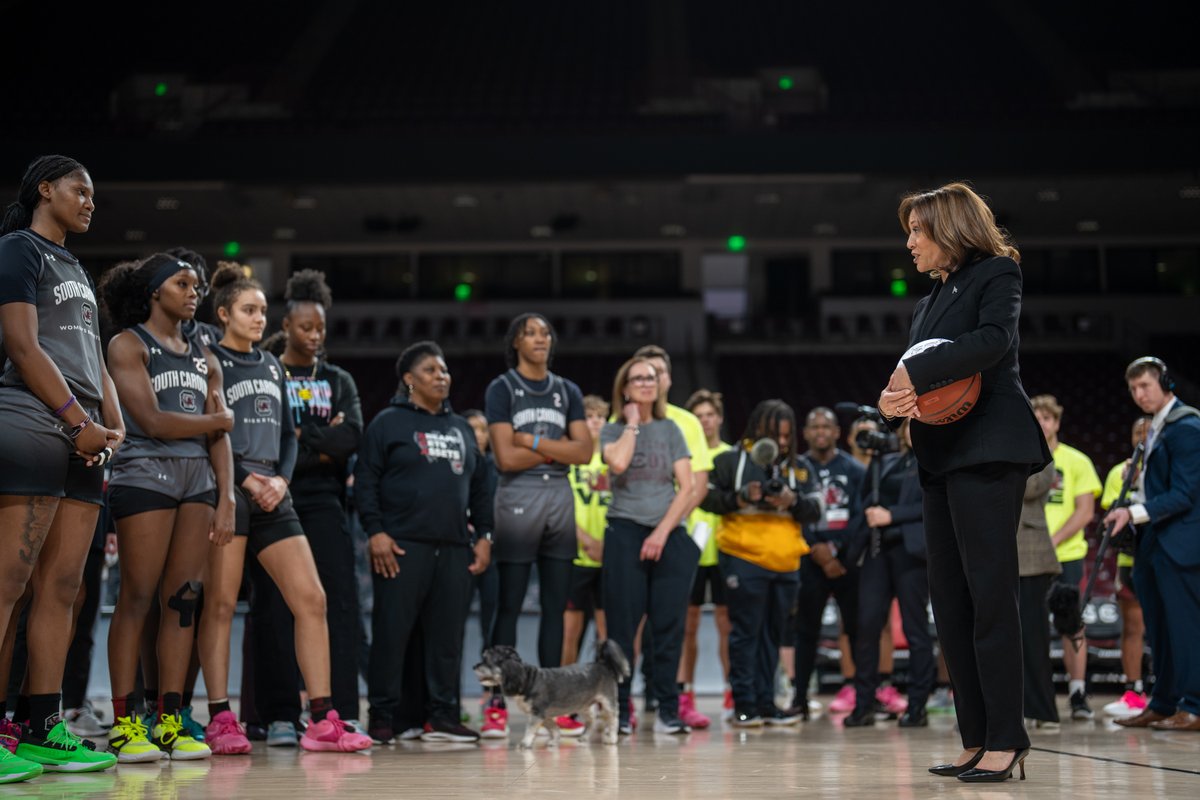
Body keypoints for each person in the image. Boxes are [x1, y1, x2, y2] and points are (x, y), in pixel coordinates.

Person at [878, 182, 1051, 782]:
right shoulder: (930, 299)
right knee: (949, 605)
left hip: (987, 449)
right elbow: (924, 376)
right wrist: (900, 402)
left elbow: (992, 342)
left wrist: (910, 371)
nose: (909, 243)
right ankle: (975, 736)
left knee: (989, 598)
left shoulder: (997, 272)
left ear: (949, 228)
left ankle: (1008, 737)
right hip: (938, 454)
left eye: (917, 231)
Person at [197, 263, 370, 754]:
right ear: (225, 313)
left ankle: (321, 717)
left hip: (275, 492)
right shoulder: (209, 361)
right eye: (250, 311)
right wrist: (248, 479)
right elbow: (211, 430)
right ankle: (220, 718)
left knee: (312, 600)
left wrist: (281, 479)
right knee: (223, 605)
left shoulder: (271, 367)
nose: (259, 319)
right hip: (229, 490)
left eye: (262, 311)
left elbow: (289, 437)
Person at [0, 154, 122, 778]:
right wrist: (79, 421)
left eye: (94, 193)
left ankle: (44, 722)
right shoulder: (19, 250)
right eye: (80, 189)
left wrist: (114, 420)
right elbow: (22, 345)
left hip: (85, 433)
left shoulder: (76, 264)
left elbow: (93, 355)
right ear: (45, 189)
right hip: (33, 421)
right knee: (9, 586)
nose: (90, 200)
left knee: (64, 587)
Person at [99, 253, 237, 762]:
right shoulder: (127, 344)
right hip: (145, 474)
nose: (193, 291)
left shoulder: (206, 350)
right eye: (182, 283)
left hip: (198, 481)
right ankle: (125, 721)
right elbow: (153, 422)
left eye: (196, 284)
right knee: (136, 596)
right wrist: (216, 421)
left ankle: (171, 719)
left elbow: (221, 435)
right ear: (155, 291)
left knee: (182, 603)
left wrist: (227, 498)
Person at [357, 341, 494, 745]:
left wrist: (484, 536)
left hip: (454, 547)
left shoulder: (462, 428)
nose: (442, 377)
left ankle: (443, 716)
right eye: (432, 370)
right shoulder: (387, 423)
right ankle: (384, 716)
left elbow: (482, 489)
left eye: (445, 370)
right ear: (409, 379)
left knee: (447, 639)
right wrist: (376, 531)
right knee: (391, 634)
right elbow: (366, 482)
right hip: (401, 546)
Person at [254, 269, 364, 742]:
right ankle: (279, 714)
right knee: (274, 606)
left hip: (325, 503)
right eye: (306, 328)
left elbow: (351, 435)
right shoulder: (265, 369)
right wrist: (321, 441)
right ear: (289, 324)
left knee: (337, 606)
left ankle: (338, 711)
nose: (315, 336)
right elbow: (266, 438)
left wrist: (304, 438)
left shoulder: (337, 379)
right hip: (275, 498)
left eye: (320, 328)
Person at [482, 314, 591, 737]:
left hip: (559, 497)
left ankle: (552, 703)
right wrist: (556, 450)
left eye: (546, 331)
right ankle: (495, 701)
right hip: (517, 496)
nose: (541, 338)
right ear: (515, 343)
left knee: (555, 606)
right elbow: (504, 459)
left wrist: (531, 441)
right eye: (531, 333)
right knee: (508, 606)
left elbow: (583, 452)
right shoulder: (502, 388)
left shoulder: (568, 390)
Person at [702, 399, 821, 727]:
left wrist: (793, 501)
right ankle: (744, 704)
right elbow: (707, 499)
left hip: (786, 562)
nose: (782, 443)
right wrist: (741, 496)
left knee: (773, 634)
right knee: (746, 633)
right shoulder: (730, 461)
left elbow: (817, 509)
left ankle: (768, 703)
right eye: (775, 434)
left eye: (787, 436)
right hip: (743, 557)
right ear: (757, 428)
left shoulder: (798, 467)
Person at [600, 356, 696, 735]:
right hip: (624, 531)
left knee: (668, 628)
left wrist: (660, 533)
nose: (646, 383)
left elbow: (687, 487)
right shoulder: (612, 430)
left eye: (651, 377)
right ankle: (621, 712)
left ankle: (668, 710)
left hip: (667, 534)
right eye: (638, 378)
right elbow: (619, 464)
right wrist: (633, 424)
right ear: (624, 387)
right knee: (622, 630)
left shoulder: (672, 429)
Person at [1107, 357, 1200, 731]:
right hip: (1154, 543)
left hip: (1179, 542)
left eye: (1145, 386)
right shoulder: (1155, 430)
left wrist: (1135, 513)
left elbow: (1186, 493)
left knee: (1185, 627)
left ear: (1166, 382)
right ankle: (1163, 703)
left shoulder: (1187, 427)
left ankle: (1193, 705)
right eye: (1132, 389)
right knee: (1159, 629)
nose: (1138, 394)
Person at [630, 345, 713, 716]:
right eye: (647, 373)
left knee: (671, 621)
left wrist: (665, 525)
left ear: (668, 378)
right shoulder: (624, 419)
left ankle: (669, 696)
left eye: (660, 373)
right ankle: (625, 699)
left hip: (677, 532)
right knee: (631, 620)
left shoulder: (686, 422)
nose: (655, 379)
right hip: (632, 531)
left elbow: (698, 486)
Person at [843, 419, 935, 729]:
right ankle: (864, 703)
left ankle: (918, 706)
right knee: (867, 626)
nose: (912, 431)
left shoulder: (934, 460)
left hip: (911, 553)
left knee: (915, 629)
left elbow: (933, 504)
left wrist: (891, 515)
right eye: (908, 425)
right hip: (877, 550)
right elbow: (865, 500)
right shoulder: (885, 460)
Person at [1031, 394, 1102, 720]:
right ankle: (1035, 698)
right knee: (1031, 629)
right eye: (1037, 417)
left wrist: (1052, 540)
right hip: (1030, 558)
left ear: (1057, 422)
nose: (1042, 423)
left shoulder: (1076, 461)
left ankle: (1077, 694)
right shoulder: (1023, 458)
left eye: (1047, 418)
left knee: (1072, 625)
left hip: (1067, 555)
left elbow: (1086, 512)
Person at [792, 407, 864, 716]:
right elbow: (792, 514)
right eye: (814, 426)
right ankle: (799, 699)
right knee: (806, 631)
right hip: (810, 560)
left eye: (827, 426)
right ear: (805, 433)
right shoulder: (796, 468)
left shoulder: (854, 469)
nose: (820, 431)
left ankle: (864, 696)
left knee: (857, 631)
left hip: (846, 562)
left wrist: (839, 555)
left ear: (837, 432)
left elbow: (861, 517)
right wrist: (816, 549)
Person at [678, 389, 733, 728]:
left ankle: (731, 691)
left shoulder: (731, 455)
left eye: (710, 415)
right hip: (690, 551)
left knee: (727, 626)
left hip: (725, 549)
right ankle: (686, 695)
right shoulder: (682, 457)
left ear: (719, 418)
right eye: (699, 416)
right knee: (688, 627)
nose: (705, 420)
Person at [1099, 416, 1151, 719]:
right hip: (1130, 561)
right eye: (1136, 431)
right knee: (1132, 628)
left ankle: (1183, 693)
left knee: (1171, 627)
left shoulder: (1168, 464)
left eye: (1147, 430)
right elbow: (1111, 516)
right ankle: (1134, 694)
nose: (1141, 436)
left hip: (1165, 557)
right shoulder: (1119, 471)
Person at [563, 395, 611, 667]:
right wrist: (585, 538)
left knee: (606, 634)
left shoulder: (613, 458)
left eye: (600, 417)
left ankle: (599, 695)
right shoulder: (570, 458)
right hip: (576, 555)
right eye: (589, 416)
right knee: (570, 631)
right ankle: (565, 694)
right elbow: (559, 504)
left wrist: (607, 544)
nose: (595, 421)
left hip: (607, 556)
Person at [1016, 462, 1061, 729]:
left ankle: (1042, 710)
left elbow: (1031, 487)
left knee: (1034, 637)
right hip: (999, 553)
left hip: (1032, 557)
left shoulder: (1042, 455)